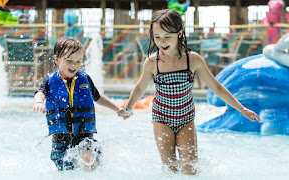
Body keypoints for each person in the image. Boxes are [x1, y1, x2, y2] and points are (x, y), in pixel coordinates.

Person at [117, 9, 261, 175]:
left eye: (167, 36)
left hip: (186, 119)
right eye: (157, 37)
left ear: (179, 33)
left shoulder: (192, 59)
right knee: (170, 168)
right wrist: (128, 108)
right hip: (161, 118)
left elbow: (216, 87)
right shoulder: (152, 63)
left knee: (190, 169)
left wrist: (241, 108)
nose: (162, 42)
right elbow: (140, 87)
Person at [33, 37, 120, 171]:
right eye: (69, 61)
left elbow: (97, 97)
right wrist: (39, 102)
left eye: (78, 61)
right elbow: (40, 93)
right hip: (60, 137)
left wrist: (116, 108)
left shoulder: (84, 79)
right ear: (57, 60)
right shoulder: (50, 81)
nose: (74, 65)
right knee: (64, 169)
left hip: (83, 133)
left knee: (88, 160)